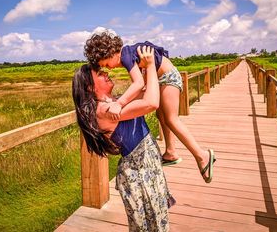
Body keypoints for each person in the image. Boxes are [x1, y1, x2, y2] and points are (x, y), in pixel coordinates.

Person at [84, 29, 216, 183]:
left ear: (111, 53)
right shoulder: (128, 54)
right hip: (164, 78)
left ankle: (202, 156)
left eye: (106, 64)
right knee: (162, 117)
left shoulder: (125, 57)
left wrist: (119, 103)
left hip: (168, 78)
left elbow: (138, 83)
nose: (109, 68)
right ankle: (171, 152)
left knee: (171, 119)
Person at [72, 46, 175, 231]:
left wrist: (144, 69)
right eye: (99, 73)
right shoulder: (103, 110)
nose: (105, 73)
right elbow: (151, 103)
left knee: (157, 222)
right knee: (150, 227)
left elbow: (147, 92)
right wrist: (150, 66)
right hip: (138, 173)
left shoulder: (112, 104)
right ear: (90, 86)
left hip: (146, 167)